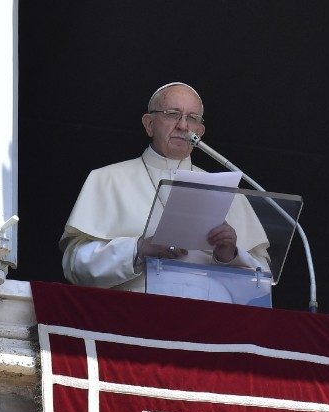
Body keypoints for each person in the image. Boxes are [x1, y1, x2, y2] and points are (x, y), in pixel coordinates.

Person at [60, 82, 270, 296]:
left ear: (200, 131)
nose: (183, 126)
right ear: (149, 124)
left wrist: (230, 255)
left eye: (192, 118)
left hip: (211, 320)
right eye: (172, 114)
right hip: (135, 315)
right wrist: (139, 250)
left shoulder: (227, 191)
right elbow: (75, 266)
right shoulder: (107, 179)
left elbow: (263, 285)